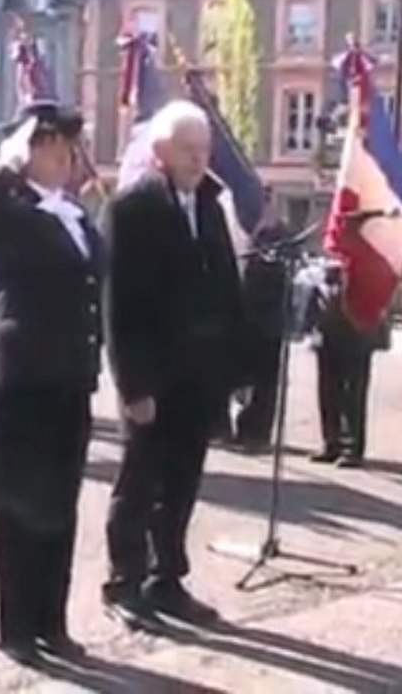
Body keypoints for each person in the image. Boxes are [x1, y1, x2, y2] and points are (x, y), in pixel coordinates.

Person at [0, 101, 103, 665]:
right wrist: (3, 166)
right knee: (16, 507)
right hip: (19, 380)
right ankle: (15, 625)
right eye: (55, 147)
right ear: (30, 151)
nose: (68, 158)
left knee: (59, 505)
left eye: (70, 148)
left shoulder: (73, 214)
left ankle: (51, 620)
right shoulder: (10, 212)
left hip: (70, 379)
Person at [102, 100, 251, 629]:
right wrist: (132, 385)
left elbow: (228, 289)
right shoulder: (133, 207)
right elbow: (118, 306)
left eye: (203, 150)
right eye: (187, 149)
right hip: (153, 376)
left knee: (183, 481)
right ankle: (125, 582)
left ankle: (167, 579)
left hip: (199, 375)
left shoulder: (210, 202)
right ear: (161, 151)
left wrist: (238, 371)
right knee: (139, 483)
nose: (197, 159)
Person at [298, 256, 389, 467]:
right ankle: (331, 442)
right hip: (327, 333)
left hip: (357, 333)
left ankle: (352, 448)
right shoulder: (324, 268)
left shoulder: (367, 256)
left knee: (353, 393)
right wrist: (309, 328)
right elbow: (314, 296)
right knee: (327, 391)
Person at [233, 206, 292, 451]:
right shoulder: (254, 232)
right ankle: (248, 429)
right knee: (249, 381)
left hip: (267, 324)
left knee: (263, 383)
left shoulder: (274, 232)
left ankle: (258, 433)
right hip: (253, 321)